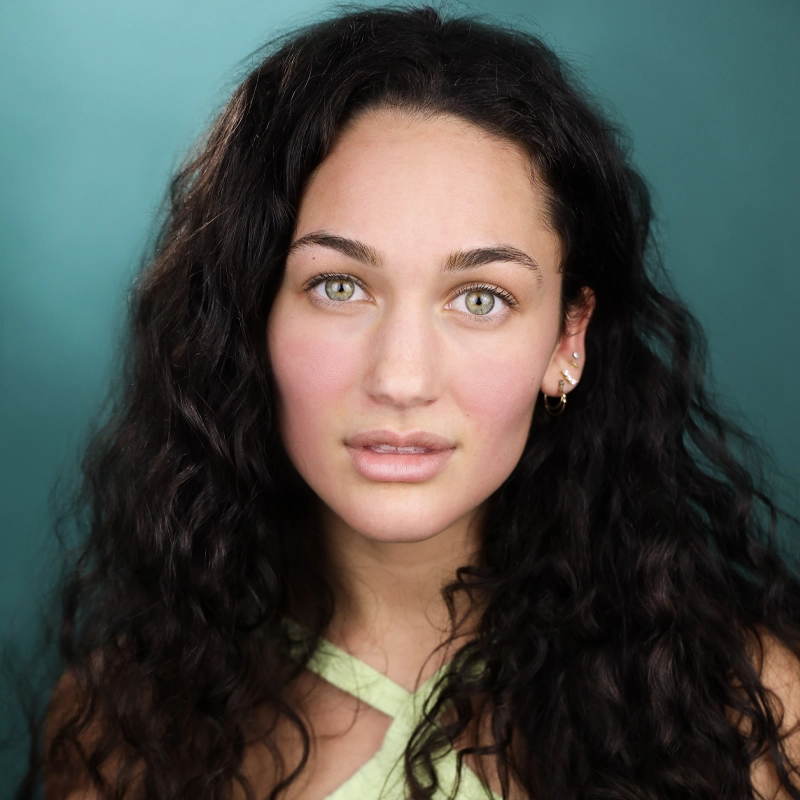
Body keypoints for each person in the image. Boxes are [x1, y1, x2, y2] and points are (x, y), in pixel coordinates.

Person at [34, 5, 800, 799]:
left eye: (480, 299)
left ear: (568, 340)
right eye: (339, 287)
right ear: (251, 318)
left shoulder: (750, 717)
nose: (401, 378)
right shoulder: (119, 726)